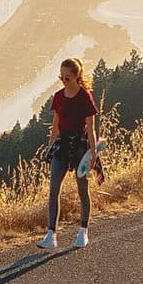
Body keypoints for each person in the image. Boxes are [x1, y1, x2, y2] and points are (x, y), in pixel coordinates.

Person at [38, 57, 100, 250]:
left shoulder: (85, 97)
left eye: (67, 78)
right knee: (54, 189)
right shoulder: (58, 97)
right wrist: (50, 147)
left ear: (76, 76)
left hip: (80, 146)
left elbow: (91, 128)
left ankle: (83, 232)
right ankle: (51, 235)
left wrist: (93, 152)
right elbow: (55, 125)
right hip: (62, 145)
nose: (64, 81)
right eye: (61, 77)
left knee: (82, 189)